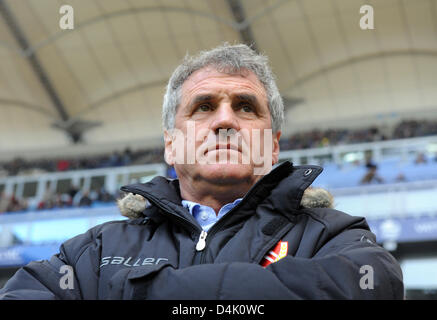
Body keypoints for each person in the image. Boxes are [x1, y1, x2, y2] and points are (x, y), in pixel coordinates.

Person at [0, 44, 403, 300]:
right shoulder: (96, 250)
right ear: (171, 144)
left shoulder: (335, 236)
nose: (225, 120)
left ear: (274, 144)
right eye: (204, 106)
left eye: (246, 107)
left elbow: (370, 286)